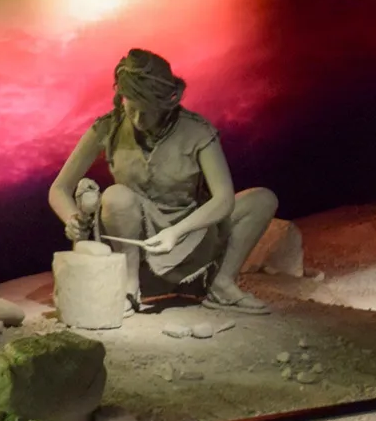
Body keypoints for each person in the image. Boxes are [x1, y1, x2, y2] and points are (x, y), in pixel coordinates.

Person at [47, 49, 279, 314]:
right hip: (134, 242)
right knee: (116, 196)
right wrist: (73, 219)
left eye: (147, 111)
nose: (138, 119)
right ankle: (129, 287)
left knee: (262, 200)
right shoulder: (108, 126)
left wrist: (176, 232)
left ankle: (222, 284)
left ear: (166, 103)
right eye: (131, 108)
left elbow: (224, 199)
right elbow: (59, 188)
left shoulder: (196, 131)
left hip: (190, 237)